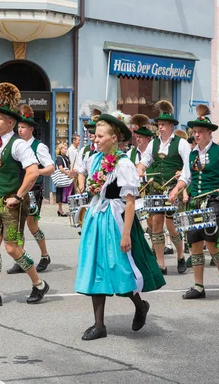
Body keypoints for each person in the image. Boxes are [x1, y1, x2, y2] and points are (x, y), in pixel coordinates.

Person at [74, 114, 165, 340]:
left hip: (116, 220)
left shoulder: (123, 163)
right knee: (96, 267)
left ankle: (140, 305)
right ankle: (99, 324)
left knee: (121, 268)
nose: (95, 139)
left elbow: (130, 202)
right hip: (97, 218)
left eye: (100, 135)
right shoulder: (95, 159)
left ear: (114, 138)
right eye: (95, 135)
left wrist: (126, 235)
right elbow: (84, 179)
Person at [0, 83, 49, 307]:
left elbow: (33, 172)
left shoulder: (19, 145)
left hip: (13, 203)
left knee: (12, 248)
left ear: (10, 122)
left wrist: (19, 195)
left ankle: (39, 284)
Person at [169, 107, 219, 299]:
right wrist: (175, 190)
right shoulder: (191, 154)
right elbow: (186, 177)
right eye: (194, 132)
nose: (196, 135)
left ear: (209, 133)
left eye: (200, 132)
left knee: (212, 242)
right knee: (195, 244)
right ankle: (199, 286)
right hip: (195, 203)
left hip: (213, 202)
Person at [136, 100, 190, 275]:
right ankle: (161, 264)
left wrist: (181, 174)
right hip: (157, 188)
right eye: (159, 125)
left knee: (172, 225)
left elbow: (188, 167)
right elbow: (144, 162)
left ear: (171, 126)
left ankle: (180, 255)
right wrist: (139, 170)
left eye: (164, 125)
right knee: (156, 224)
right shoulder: (153, 144)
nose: (161, 128)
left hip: (173, 188)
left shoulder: (181, 143)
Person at [6, 104, 55, 274]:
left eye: (23, 127)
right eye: (18, 127)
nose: (20, 130)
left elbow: (51, 168)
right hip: (18, 189)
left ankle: (45, 255)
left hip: (33, 190)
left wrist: (34, 172)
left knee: (32, 225)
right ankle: (21, 259)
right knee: (18, 224)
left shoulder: (39, 147)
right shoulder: (15, 145)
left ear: (31, 129)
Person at [55, 142, 73, 216]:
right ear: (60, 150)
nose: (66, 150)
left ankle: (71, 208)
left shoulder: (66, 157)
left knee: (70, 192)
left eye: (66, 148)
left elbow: (69, 165)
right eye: (64, 149)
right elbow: (60, 168)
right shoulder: (59, 157)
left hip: (67, 178)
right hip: (61, 178)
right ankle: (60, 209)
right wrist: (68, 174)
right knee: (60, 193)